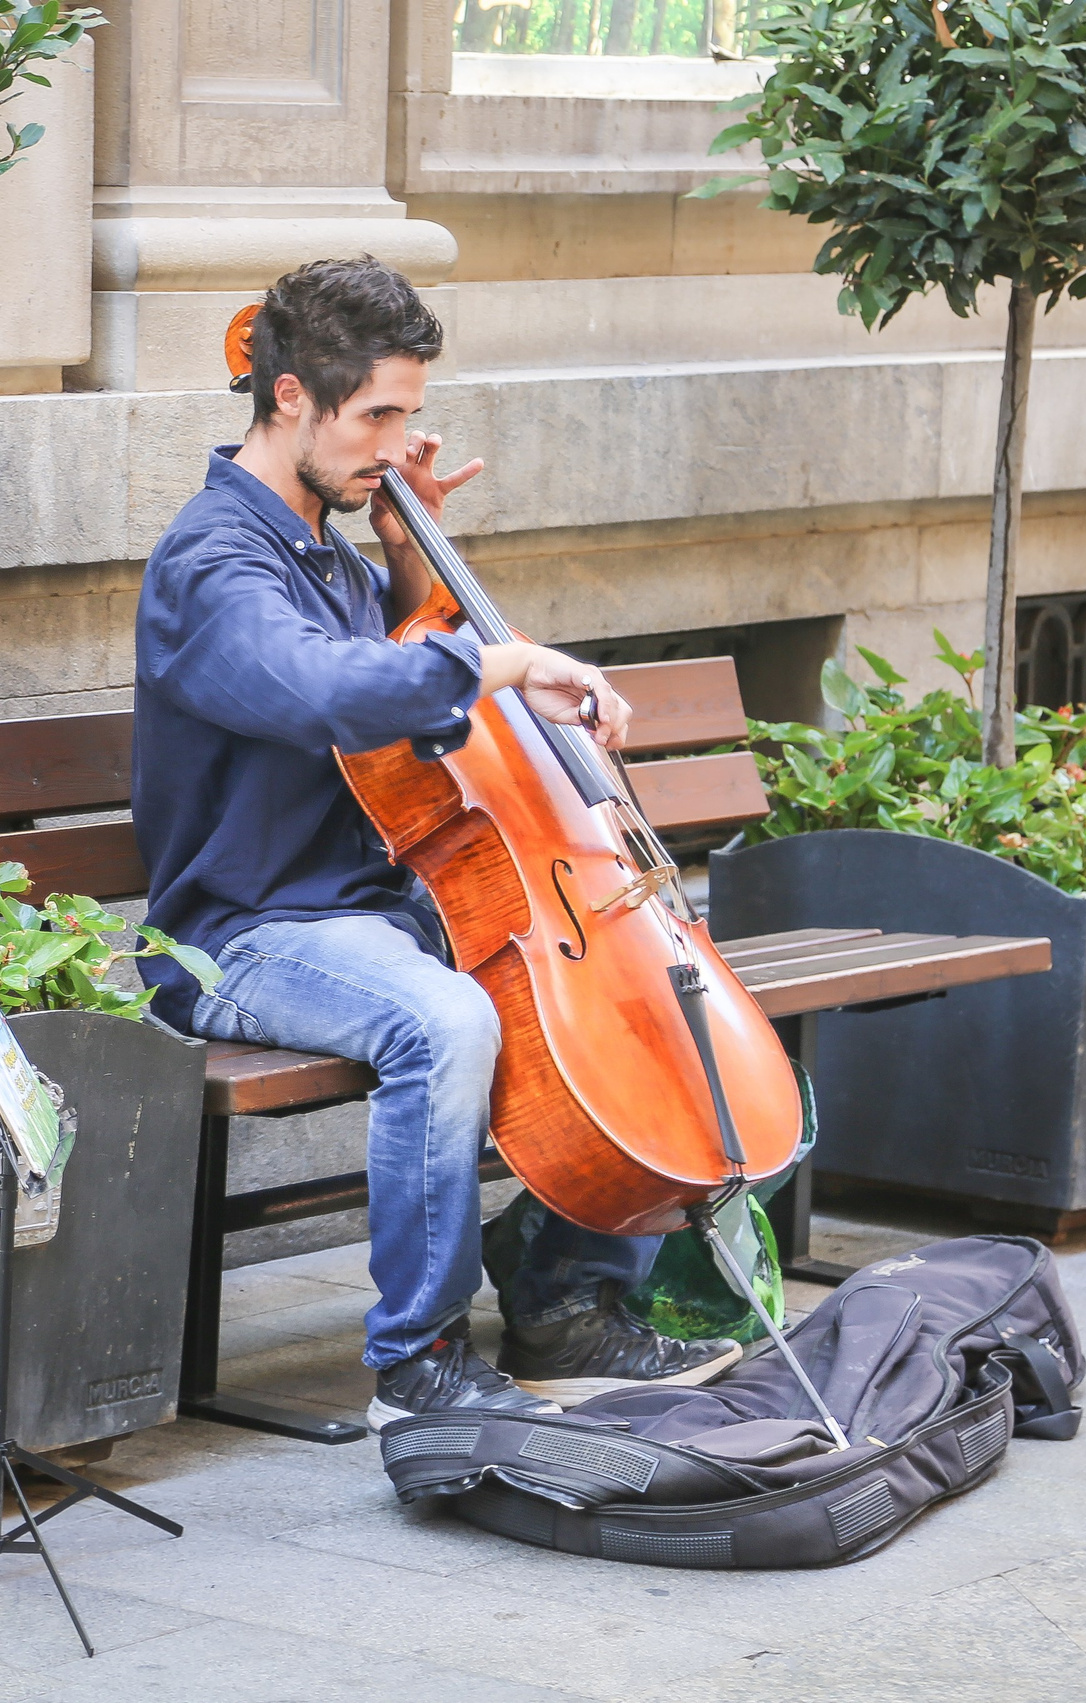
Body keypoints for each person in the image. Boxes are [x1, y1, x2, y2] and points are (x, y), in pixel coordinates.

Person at [131, 258, 741, 1427]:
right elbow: (323, 693)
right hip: (250, 933)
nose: (395, 446)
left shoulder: (333, 549)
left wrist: (414, 560)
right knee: (445, 1017)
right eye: (377, 417)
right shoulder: (214, 560)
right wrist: (503, 657)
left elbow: (392, 717)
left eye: (407, 413)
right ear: (292, 396)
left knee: (618, 991)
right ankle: (416, 1365)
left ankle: (566, 1302)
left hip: (375, 910)